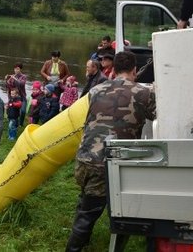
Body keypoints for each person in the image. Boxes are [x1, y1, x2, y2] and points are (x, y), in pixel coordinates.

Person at [65, 51, 156, 252]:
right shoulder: (143, 93)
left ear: (113, 69)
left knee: (87, 203)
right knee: (107, 212)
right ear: (134, 69)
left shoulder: (96, 90)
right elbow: (160, 114)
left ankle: (84, 242)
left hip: (84, 159)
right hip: (109, 162)